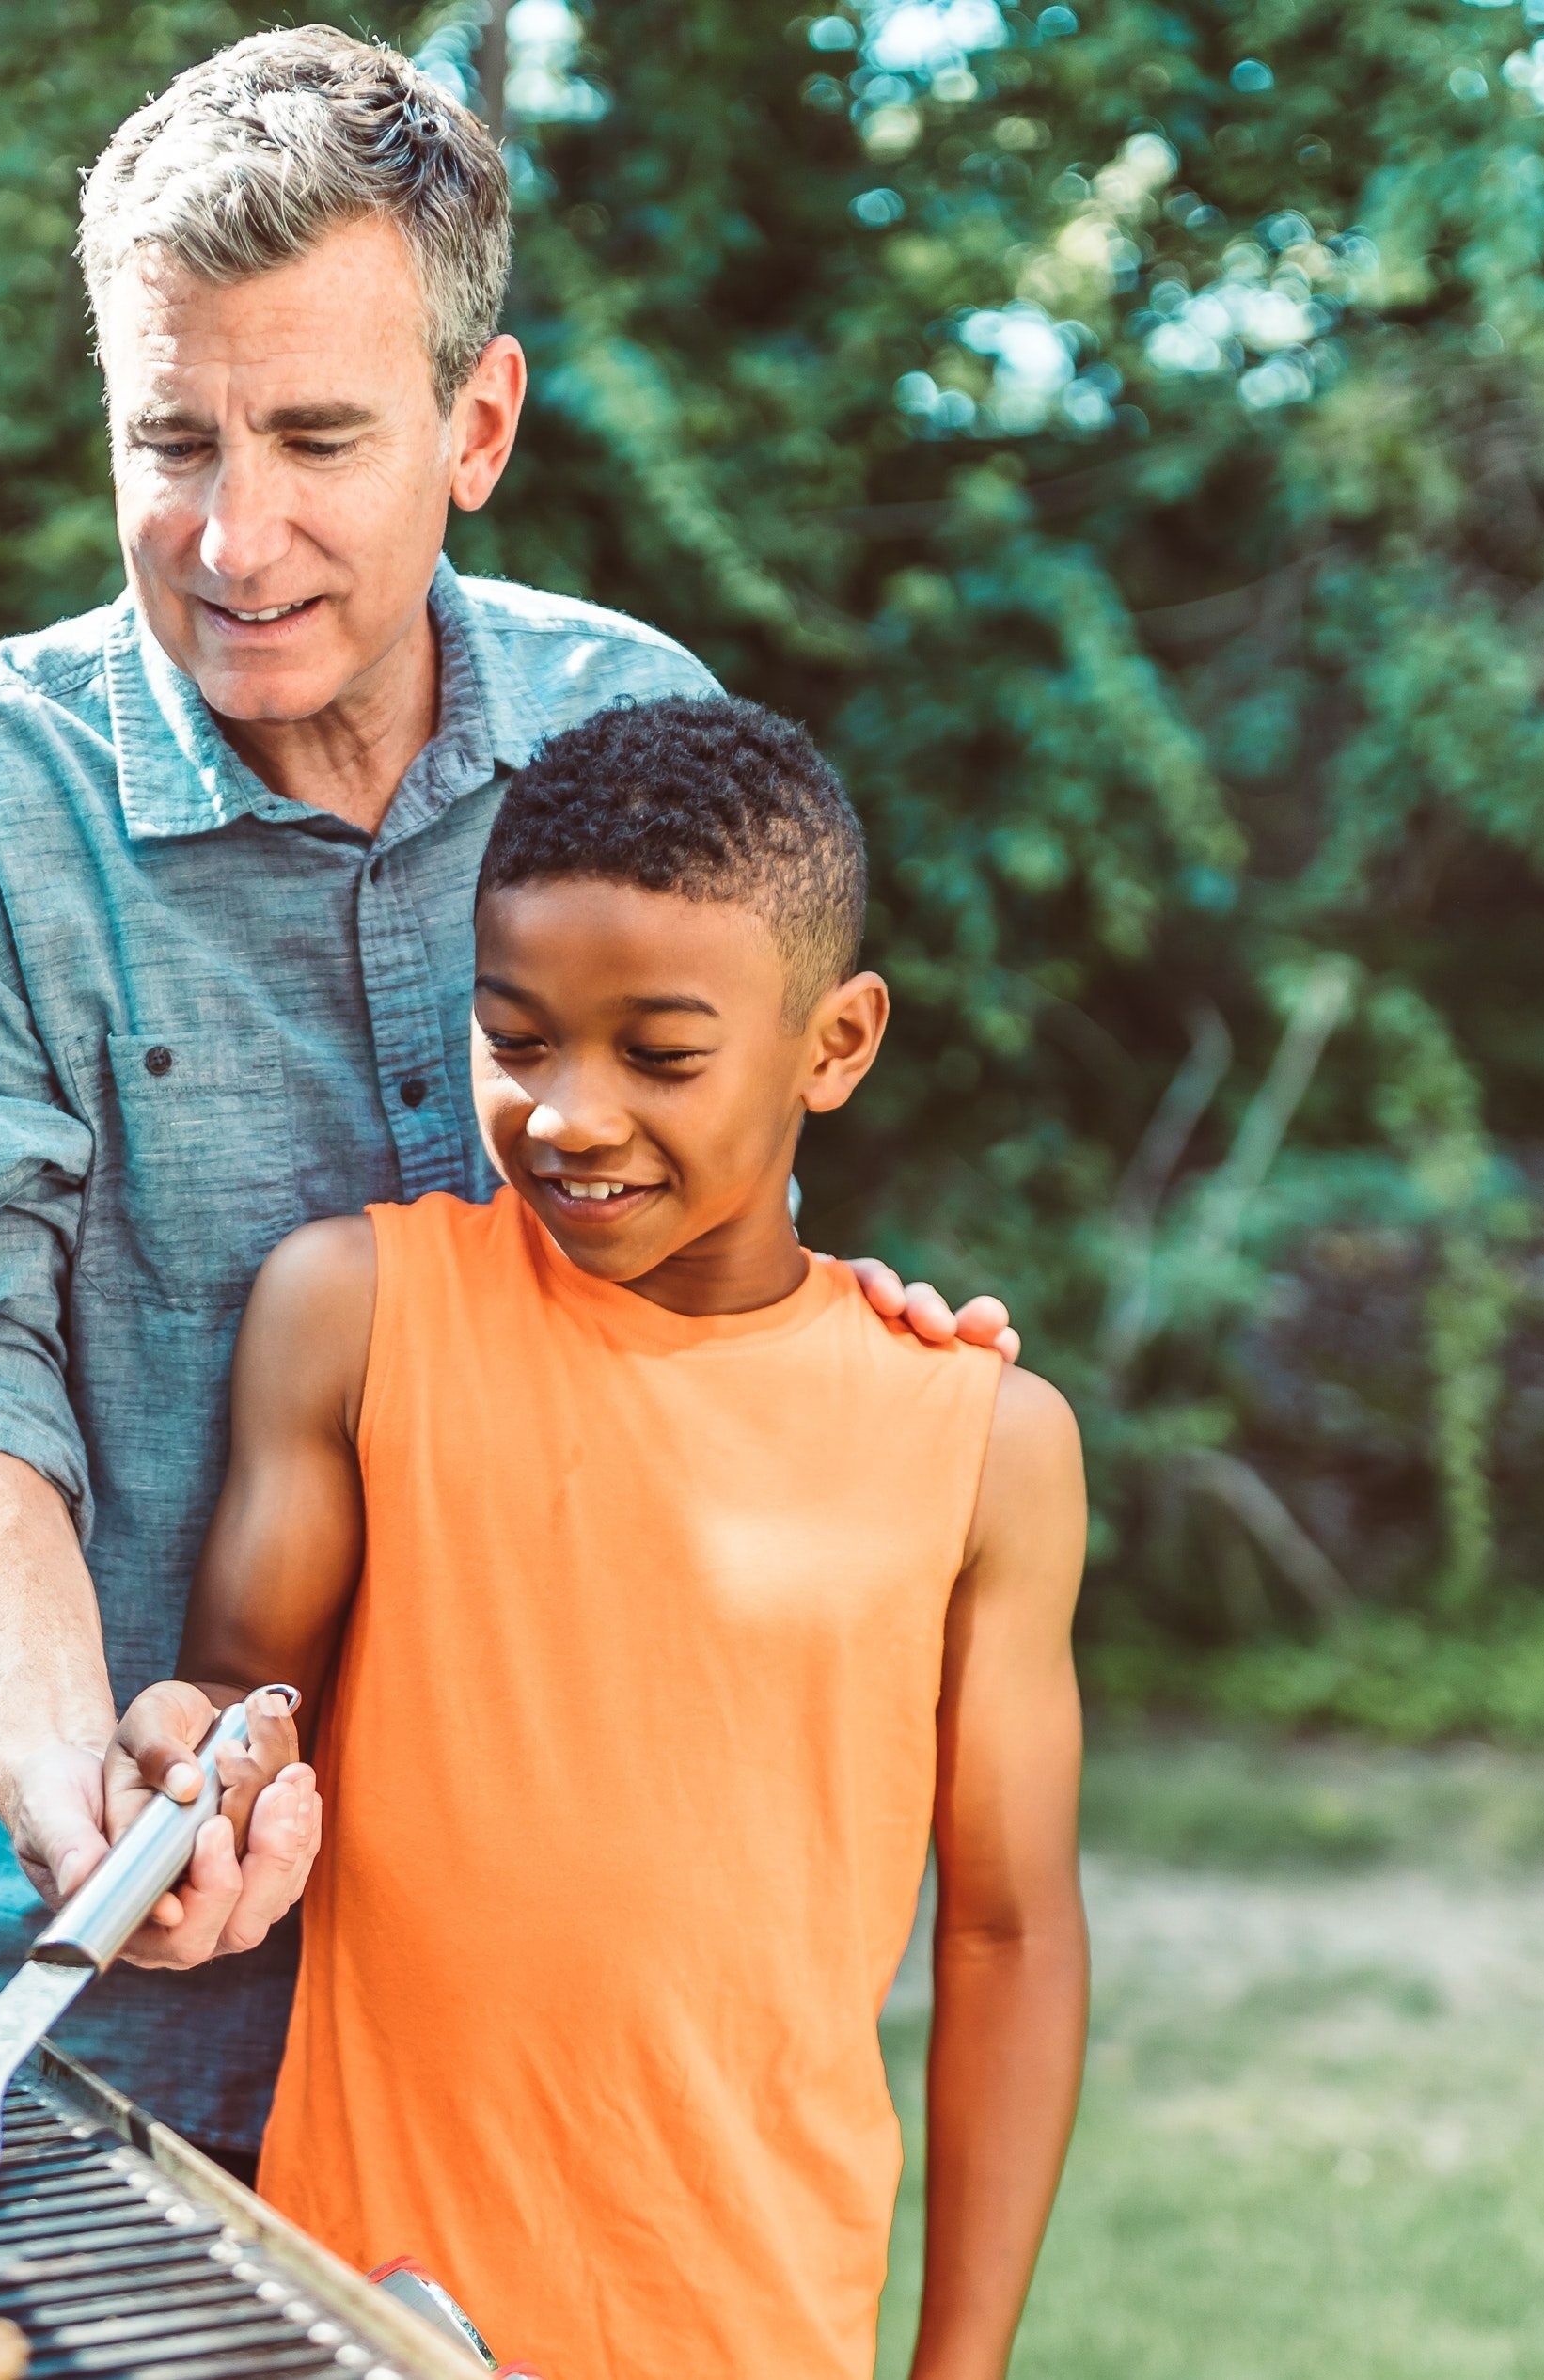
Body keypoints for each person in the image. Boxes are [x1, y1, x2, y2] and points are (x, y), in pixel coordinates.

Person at [0, 26, 1016, 2164]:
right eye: (171, 439)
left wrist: (845, 1340)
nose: (231, 536)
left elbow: (695, 1270)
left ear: (478, 422)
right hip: (79, 1986)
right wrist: (75, 1777)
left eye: (316, 439)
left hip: (524, 1978)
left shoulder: (636, 724)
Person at [181, 694, 1091, 2378]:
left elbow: (1009, 1931)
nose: (570, 1115)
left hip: (754, 2318)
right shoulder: (358, 1315)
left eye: (661, 1057)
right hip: (374, 2309)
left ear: (837, 1044)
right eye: (516, 1039)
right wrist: (173, 1830)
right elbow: (238, 1728)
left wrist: (959, 2367)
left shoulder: (982, 1441)